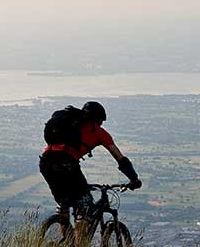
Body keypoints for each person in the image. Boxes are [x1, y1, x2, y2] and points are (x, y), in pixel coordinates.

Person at [38, 101, 140, 238]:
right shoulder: (98, 131)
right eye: (101, 121)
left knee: (63, 203)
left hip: (46, 163)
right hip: (67, 164)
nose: (101, 124)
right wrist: (134, 179)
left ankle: (66, 244)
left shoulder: (69, 123)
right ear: (98, 119)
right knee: (85, 207)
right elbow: (120, 159)